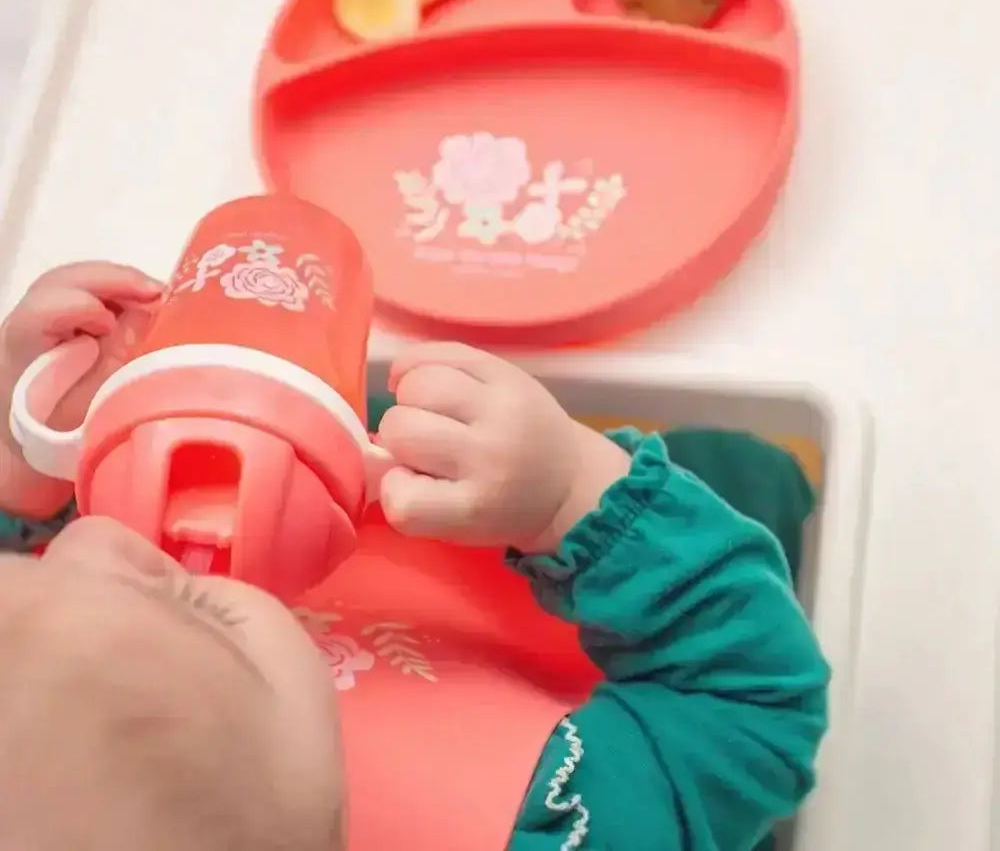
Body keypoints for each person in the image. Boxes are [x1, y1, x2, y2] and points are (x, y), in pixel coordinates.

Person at [0, 261, 830, 850]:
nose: (95, 533)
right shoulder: (566, 824)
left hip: (396, 522)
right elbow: (750, 705)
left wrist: (21, 466)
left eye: (36, 567)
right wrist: (573, 497)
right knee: (745, 478)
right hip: (645, 676)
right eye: (193, 608)